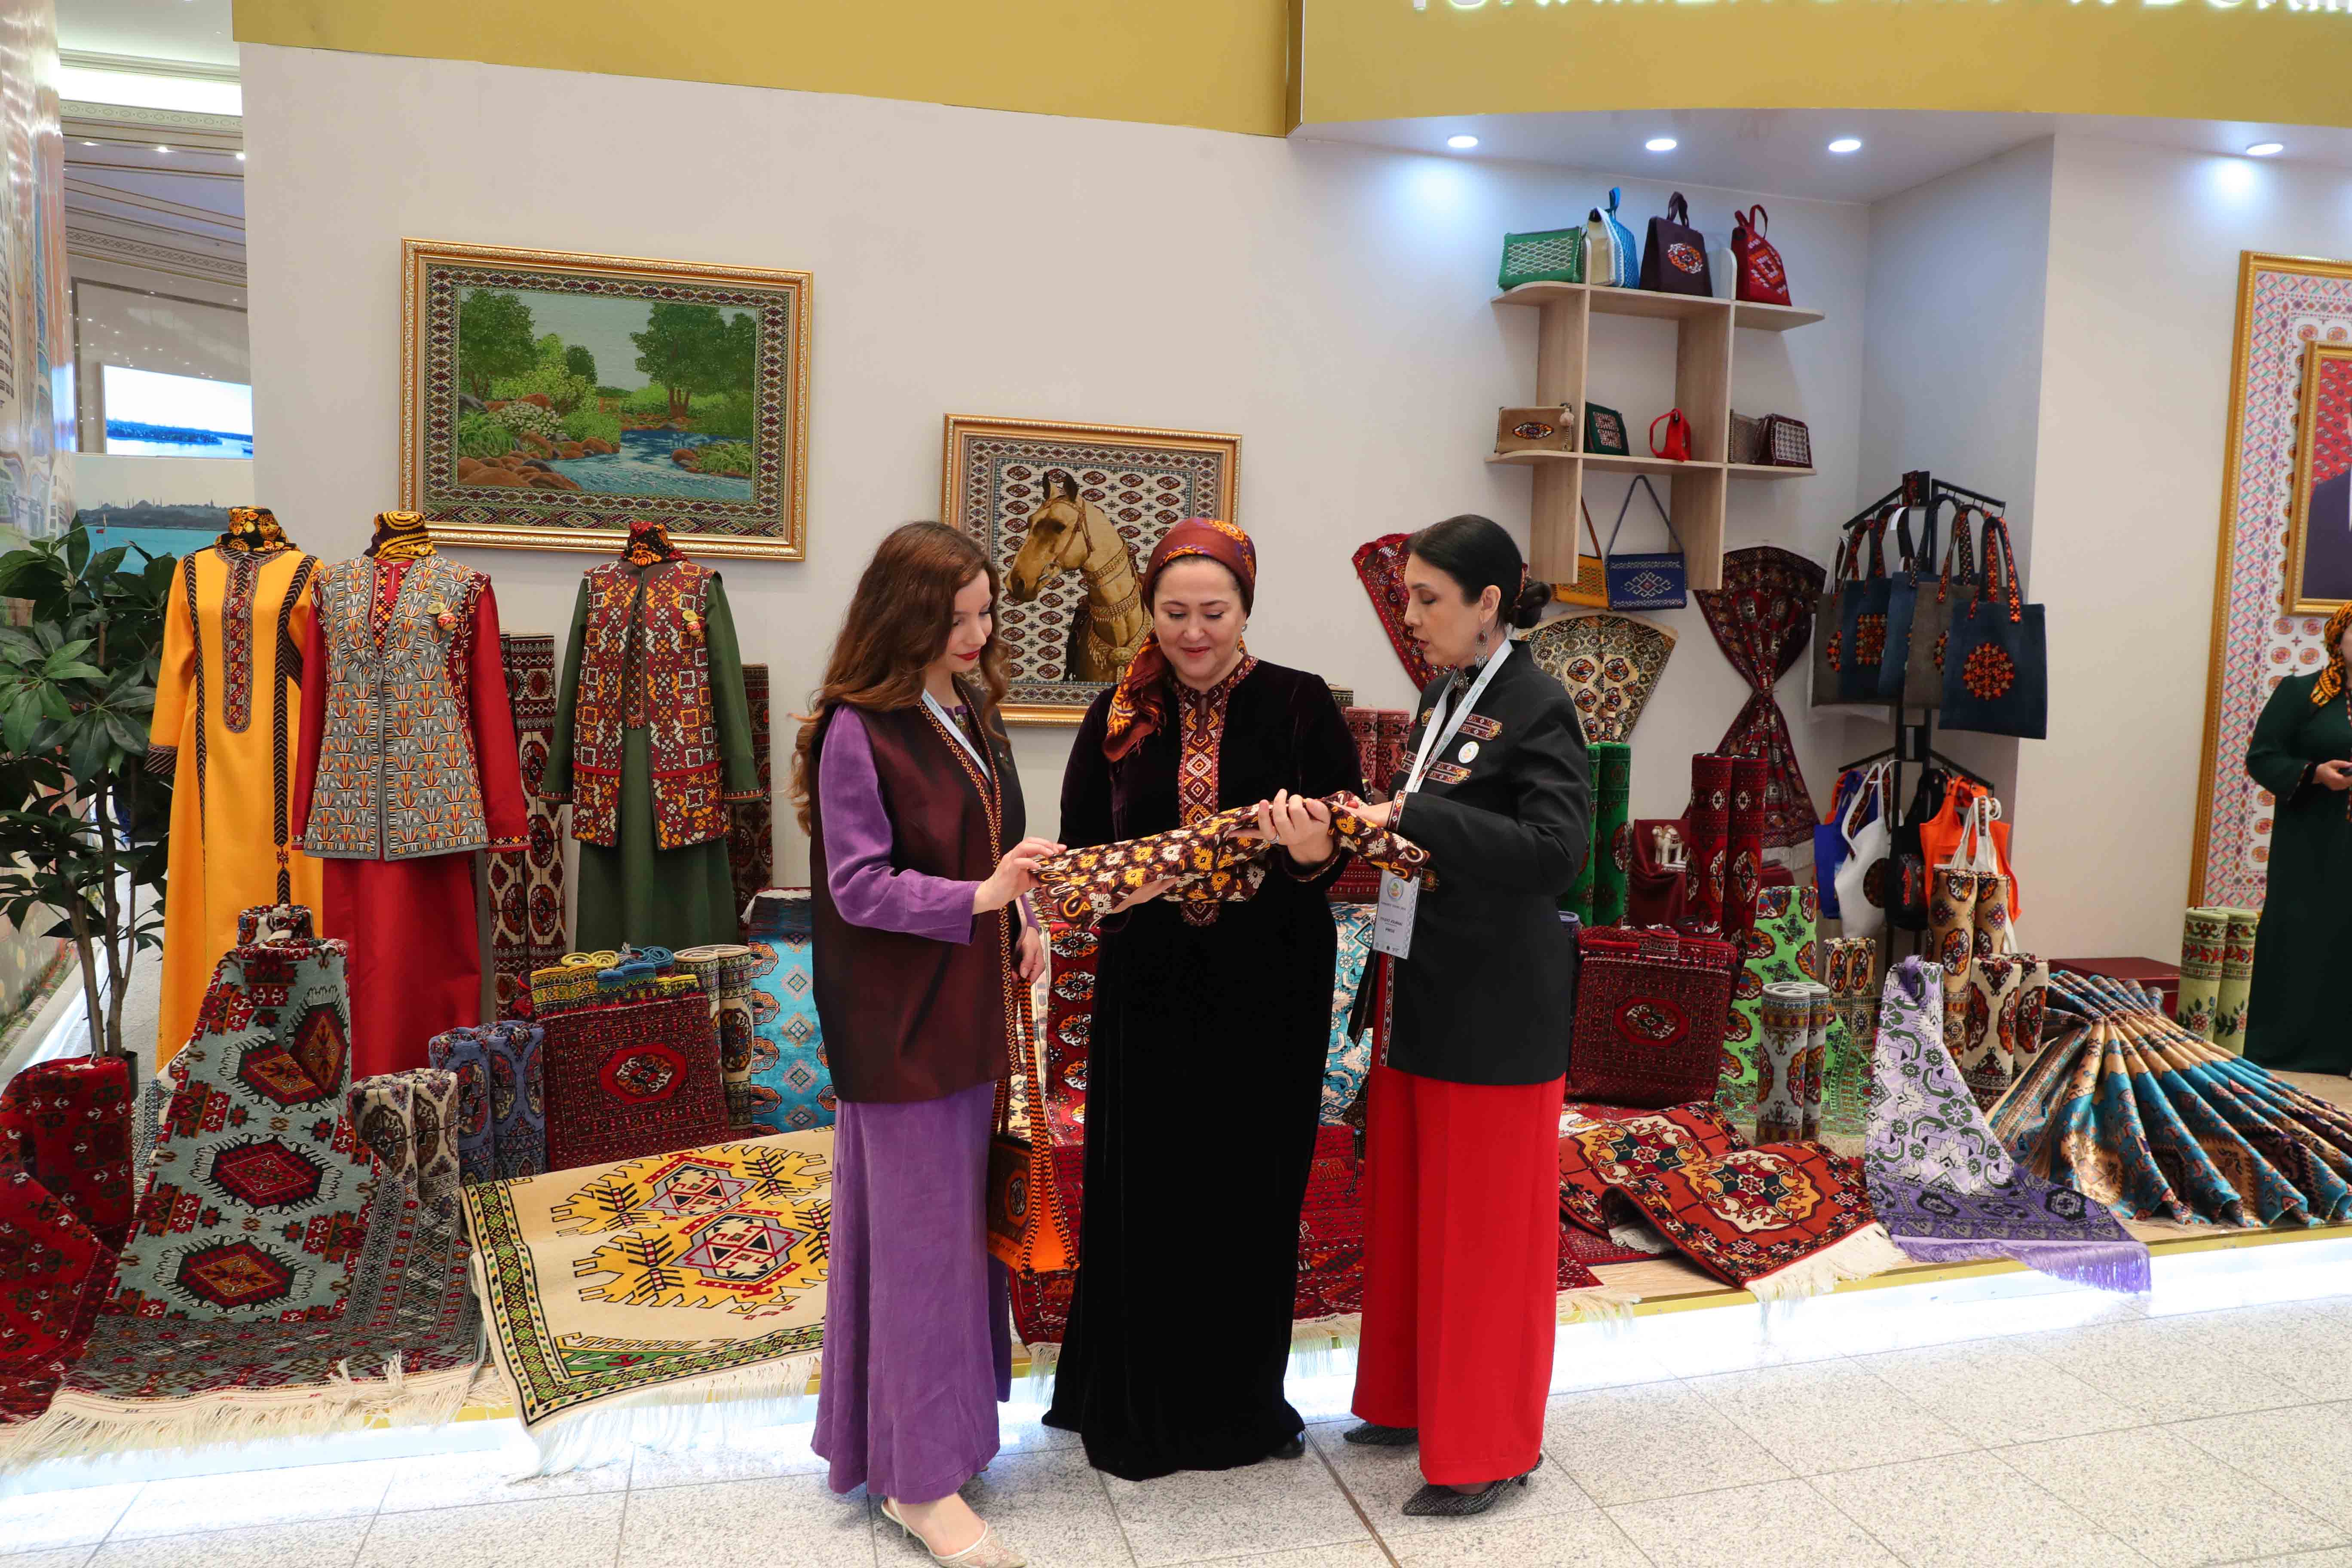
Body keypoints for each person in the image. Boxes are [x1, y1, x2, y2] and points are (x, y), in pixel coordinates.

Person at [1044, 518, 1363, 1480]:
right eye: (1174, 612)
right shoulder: (1116, 713)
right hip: (1150, 982)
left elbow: (1340, 843)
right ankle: (1134, 1404)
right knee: (1149, 1184)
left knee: (1251, 1185)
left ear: (1245, 609)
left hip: (1271, 983)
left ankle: (1239, 1404)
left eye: (1213, 612)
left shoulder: (1300, 702)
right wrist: (1122, 882)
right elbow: (1080, 850)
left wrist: (1310, 845)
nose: (1193, 632)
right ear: (1148, 609)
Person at [799, 522, 1061, 1568]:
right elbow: (856, 886)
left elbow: (994, 851)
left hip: (966, 1010)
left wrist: (1023, 915)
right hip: (898, 1024)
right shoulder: (855, 729)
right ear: (901, 615)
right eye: (955, 618)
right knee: (916, 1249)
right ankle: (916, 1482)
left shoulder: (972, 710)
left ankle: (936, 1447)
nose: (976, 634)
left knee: (955, 1243)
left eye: (986, 613)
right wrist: (984, 899)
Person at [1338, 514, 1589, 1516]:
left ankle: (1488, 1450)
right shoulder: (1443, 694)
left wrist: (1415, 815)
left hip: (1497, 1009)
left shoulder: (1540, 705)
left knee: (1481, 1241)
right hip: (1424, 990)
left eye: (1427, 598)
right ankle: (1408, 1401)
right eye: (1408, 597)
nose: (1411, 616)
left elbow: (1555, 853)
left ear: (1490, 602)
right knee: (1412, 1218)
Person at [2243, 601, 2352, 1072]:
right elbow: (2262, 757)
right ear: (2338, 639)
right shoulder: (2302, 693)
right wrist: (2315, 774)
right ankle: (2284, 1049)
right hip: (2311, 844)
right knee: (2302, 934)